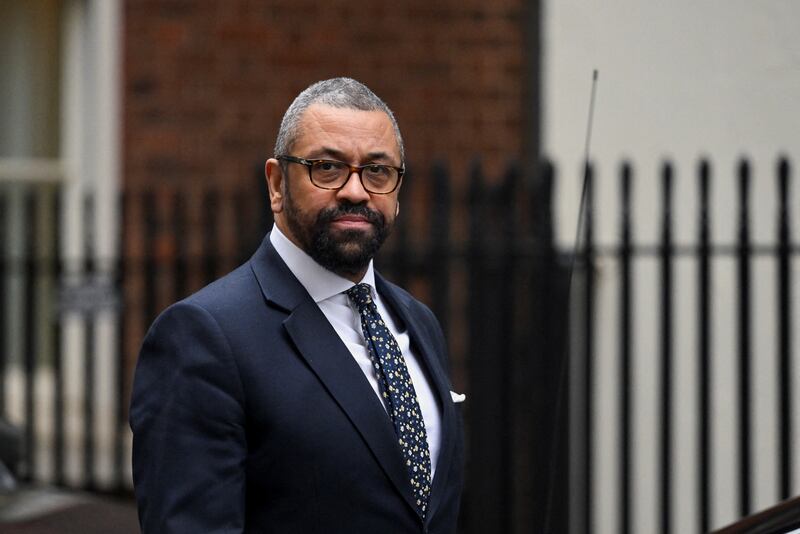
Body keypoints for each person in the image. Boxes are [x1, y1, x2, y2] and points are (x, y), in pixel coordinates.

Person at [130, 77, 464, 533]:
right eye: (327, 167)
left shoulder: (419, 323)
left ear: (397, 190)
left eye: (378, 171)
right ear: (276, 184)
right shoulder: (204, 336)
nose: (355, 191)